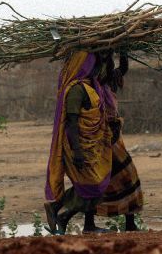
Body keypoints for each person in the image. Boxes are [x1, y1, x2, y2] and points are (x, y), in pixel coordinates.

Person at [44, 51, 114, 234]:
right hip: (79, 146)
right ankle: (59, 210)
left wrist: (114, 53)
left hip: (93, 145)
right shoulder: (76, 90)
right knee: (92, 186)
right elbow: (72, 122)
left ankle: (84, 223)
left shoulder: (93, 86)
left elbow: (114, 73)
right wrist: (77, 151)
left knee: (95, 185)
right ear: (85, 66)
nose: (97, 68)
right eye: (94, 64)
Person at [95, 50, 144, 231]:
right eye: (107, 64)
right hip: (103, 138)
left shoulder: (109, 83)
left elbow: (123, 68)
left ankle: (129, 223)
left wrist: (123, 49)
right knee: (124, 177)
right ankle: (128, 223)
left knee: (114, 179)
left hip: (113, 138)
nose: (110, 67)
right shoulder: (95, 85)